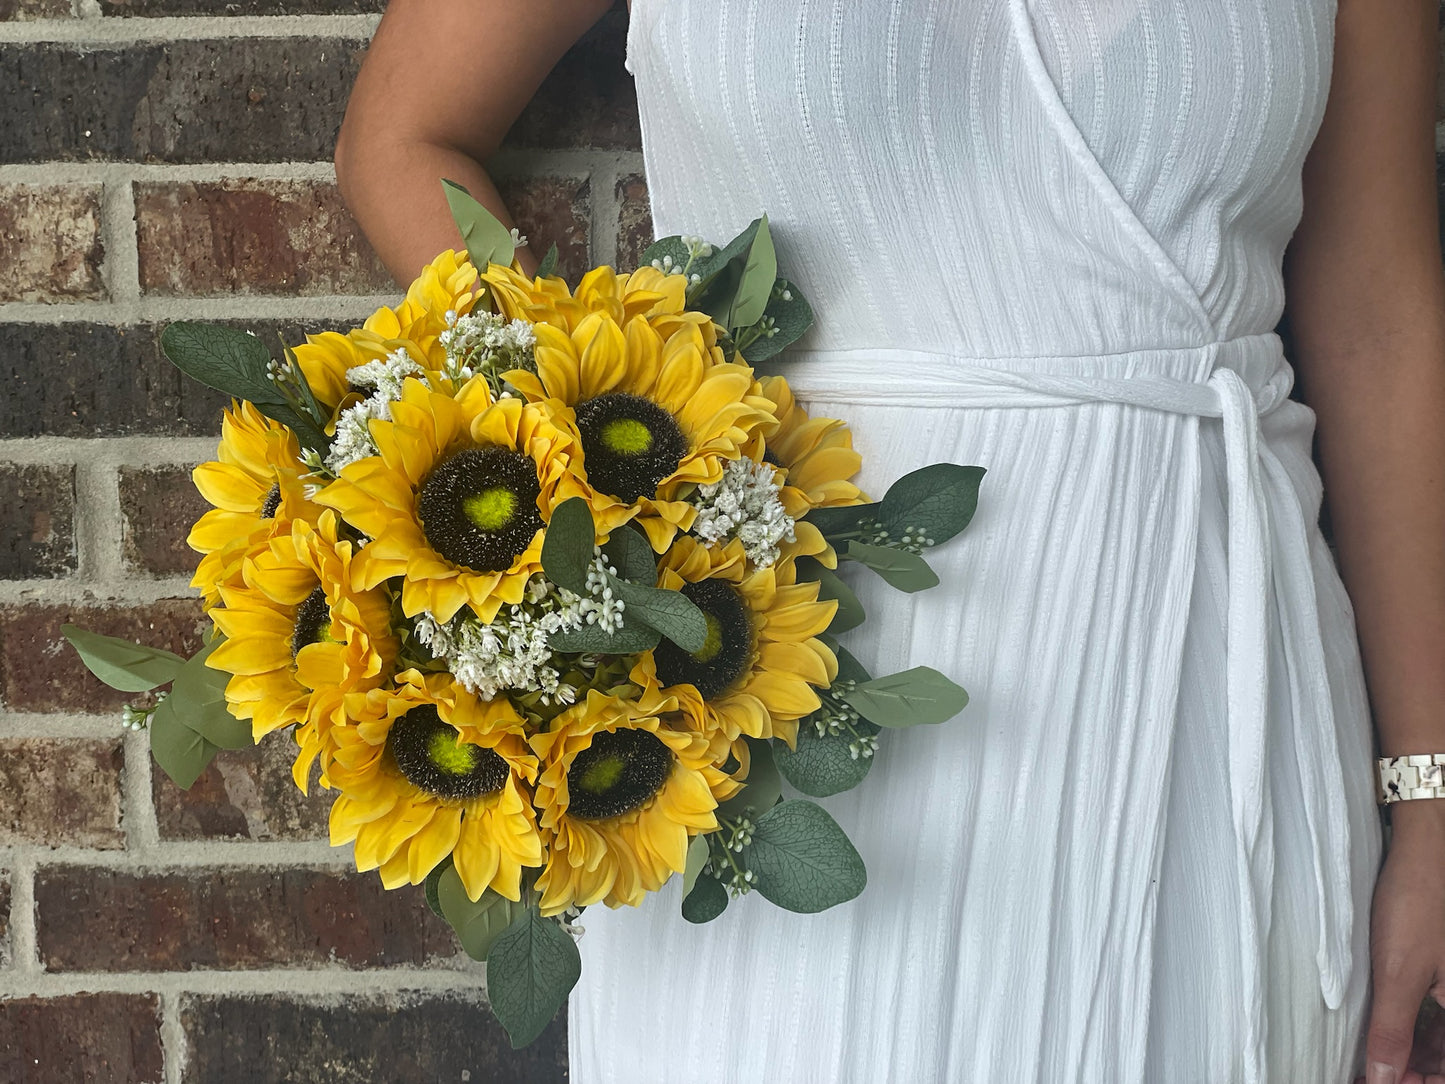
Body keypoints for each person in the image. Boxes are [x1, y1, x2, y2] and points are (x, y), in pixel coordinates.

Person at [334, 1, 1445, 1081]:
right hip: (771, 680)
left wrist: (1431, 792)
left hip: (1203, 686)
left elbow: (1376, 319)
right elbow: (403, 136)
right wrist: (583, 445)